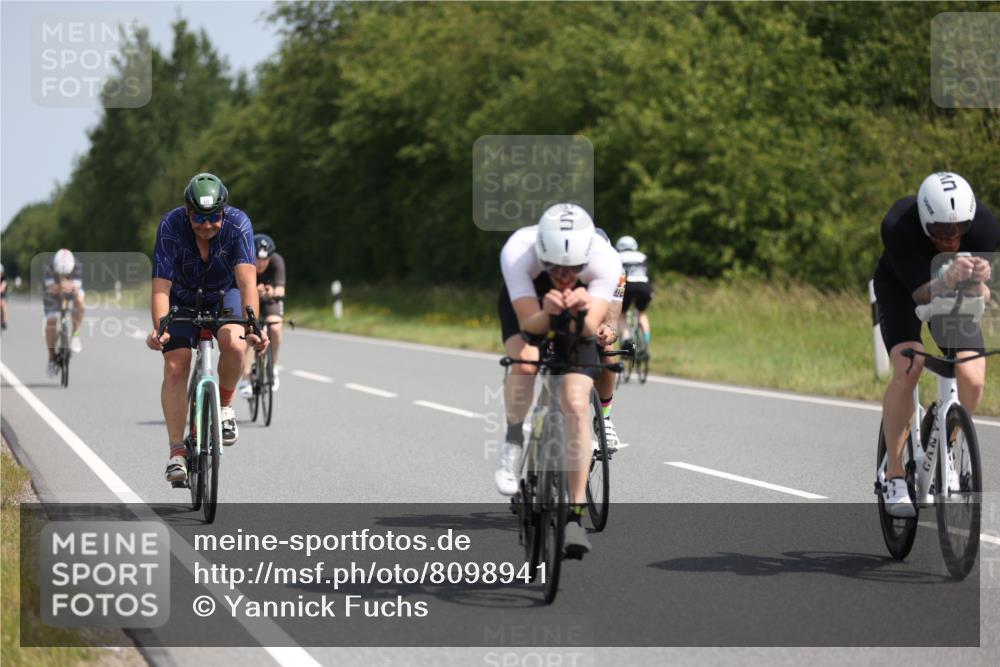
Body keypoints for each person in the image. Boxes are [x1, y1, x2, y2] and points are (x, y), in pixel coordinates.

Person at [495, 203, 623, 557]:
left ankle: (574, 518)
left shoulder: (605, 261)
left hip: (582, 309)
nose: (565, 276)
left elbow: (593, 329)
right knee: (525, 363)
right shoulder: (519, 252)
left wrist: (581, 313)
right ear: (542, 254)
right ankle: (512, 440)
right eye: (555, 268)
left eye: (573, 270)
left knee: (577, 403)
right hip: (532, 306)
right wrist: (549, 312)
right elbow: (529, 325)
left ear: (587, 260)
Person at [873, 172, 998, 517]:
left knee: (972, 376)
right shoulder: (899, 225)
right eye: (941, 230)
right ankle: (895, 475)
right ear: (926, 222)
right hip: (903, 287)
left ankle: (952, 435)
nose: (951, 238)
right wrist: (946, 277)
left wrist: (977, 282)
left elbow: (984, 296)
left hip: (953, 293)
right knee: (909, 366)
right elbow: (920, 295)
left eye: (958, 229)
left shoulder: (986, 226)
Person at [146, 172, 266, 484]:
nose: (207, 224)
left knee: (236, 343)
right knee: (176, 364)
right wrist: (160, 329)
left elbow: (246, 280)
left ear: (224, 212)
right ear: (187, 211)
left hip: (224, 294)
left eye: (214, 218)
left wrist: (254, 323)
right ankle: (177, 453)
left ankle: (224, 407)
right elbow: (161, 286)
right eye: (199, 217)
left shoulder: (239, 224)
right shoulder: (171, 226)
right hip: (180, 298)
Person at [238, 234, 286, 398]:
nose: (261, 263)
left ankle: (273, 366)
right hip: (251, 301)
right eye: (257, 259)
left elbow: (281, 290)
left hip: (270, 299)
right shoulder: (245, 261)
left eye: (265, 259)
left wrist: (270, 291)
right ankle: (245, 377)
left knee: (276, 327)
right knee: (251, 332)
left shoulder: (277, 261)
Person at [43, 249, 86, 376]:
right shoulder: (49, 266)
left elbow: (76, 287)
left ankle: (75, 334)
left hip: (70, 291)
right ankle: (51, 357)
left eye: (66, 273)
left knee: (80, 301)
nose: (63, 275)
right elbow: (50, 288)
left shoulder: (77, 265)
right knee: (51, 321)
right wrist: (61, 286)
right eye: (60, 273)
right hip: (52, 294)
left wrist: (65, 286)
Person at [615, 235, 653, 346]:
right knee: (641, 313)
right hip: (644, 285)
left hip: (627, 285)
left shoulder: (618, 256)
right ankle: (646, 340)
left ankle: (626, 338)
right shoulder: (642, 256)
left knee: (621, 314)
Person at [0, 263, 9, 331]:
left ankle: (4, 321)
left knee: (3, 304)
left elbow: (2, 289)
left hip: (3, 294)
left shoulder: (4, 279)